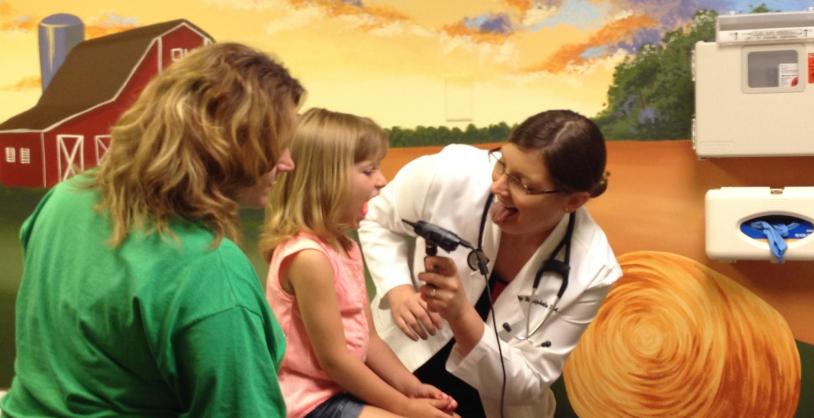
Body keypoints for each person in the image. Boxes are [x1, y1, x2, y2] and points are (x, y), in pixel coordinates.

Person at [0, 42, 305, 417]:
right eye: (278, 146)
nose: (288, 163)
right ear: (228, 146)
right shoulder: (209, 269)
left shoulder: (65, 198)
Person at [358, 109, 622, 418]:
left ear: (574, 201)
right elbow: (376, 218)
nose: (497, 186)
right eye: (502, 163)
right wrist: (398, 289)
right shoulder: (450, 172)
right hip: (399, 364)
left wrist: (460, 315)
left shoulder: (592, 269)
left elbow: (527, 382)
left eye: (523, 183)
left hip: (493, 401)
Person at [261, 108, 458, 418]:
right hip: (307, 403)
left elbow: (369, 339)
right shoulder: (308, 257)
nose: (381, 181)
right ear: (325, 178)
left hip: (340, 390)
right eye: (368, 171)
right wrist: (406, 408)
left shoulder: (345, 246)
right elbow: (335, 360)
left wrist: (410, 386)